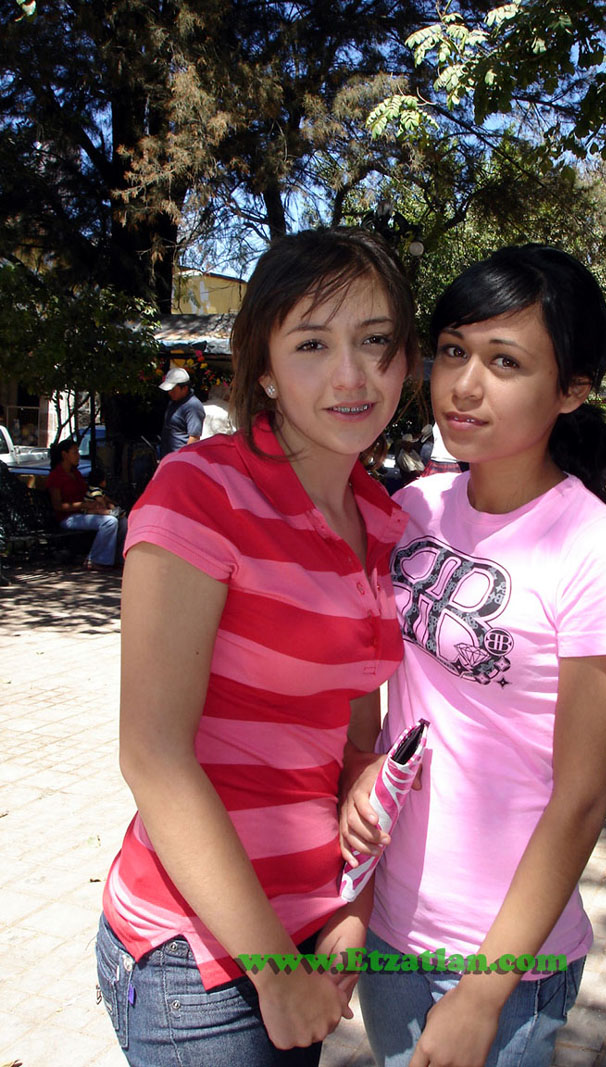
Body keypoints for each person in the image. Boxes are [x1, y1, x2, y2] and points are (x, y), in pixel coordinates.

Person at [95, 228, 420, 1065]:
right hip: (201, 957)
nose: (351, 375)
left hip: (310, 932)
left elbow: (353, 752)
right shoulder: (201, 492)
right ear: (265, 368)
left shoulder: (379, 517)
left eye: (375, 340)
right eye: (312, 344)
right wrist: (274, 972)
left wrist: (350, 908)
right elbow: (153, 755)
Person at [341, 245, 606, 1067]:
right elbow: (367, 665)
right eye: (453, 351)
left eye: (505, 361)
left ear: (572, 389)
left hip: (501, 958)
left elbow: (583, 795)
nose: (464, 384)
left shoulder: (598, 551)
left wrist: (485, 990)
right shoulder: (416, 506)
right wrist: (356, 765)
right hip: (389, 922)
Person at [45, 438, 126, 571]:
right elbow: (58, 506)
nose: (78, 456)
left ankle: (117, 558)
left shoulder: (75, 473)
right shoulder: (56, 476)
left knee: (123, 520)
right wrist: (83, 505)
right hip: (68, 517)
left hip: (85, 513)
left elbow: (87, 493)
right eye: (75, 452)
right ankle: (95, 559)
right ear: (64, 454)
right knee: (109, 522)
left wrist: (100, 503)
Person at [158, 366, 206, 455]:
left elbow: (194, 438)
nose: (169, 393)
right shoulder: (174, 402)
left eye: (173, 390)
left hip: (180, 457)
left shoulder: (193, 406)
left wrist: (183, 457)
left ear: (184, 388)